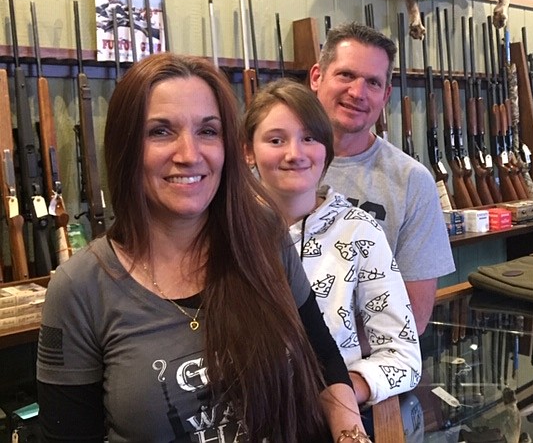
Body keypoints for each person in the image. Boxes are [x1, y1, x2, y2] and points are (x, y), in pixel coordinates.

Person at [36, 53, 371, 443]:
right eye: (160, 131)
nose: (189, 154)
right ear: (126, 145)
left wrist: (353, 436)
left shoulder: (263, 237)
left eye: (208, 131)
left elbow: (323, 357)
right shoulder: (80, 288)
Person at [243, 79, 422, 407]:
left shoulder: (359, 231)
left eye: (309, 138)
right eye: (276, 139)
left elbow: (403, 356)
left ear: (326, 149)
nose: (294, 154)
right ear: (248, 151)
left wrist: (341, 393)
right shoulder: (227, 233)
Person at [309, 22, 456, 335]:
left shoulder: (412, 181)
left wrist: (332, 367)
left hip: (363, 372)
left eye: (373, 82)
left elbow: (412, 317)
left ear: (386, 94)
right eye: (346, 75)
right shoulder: (270, 168)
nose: (358, 93)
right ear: (316, 78)